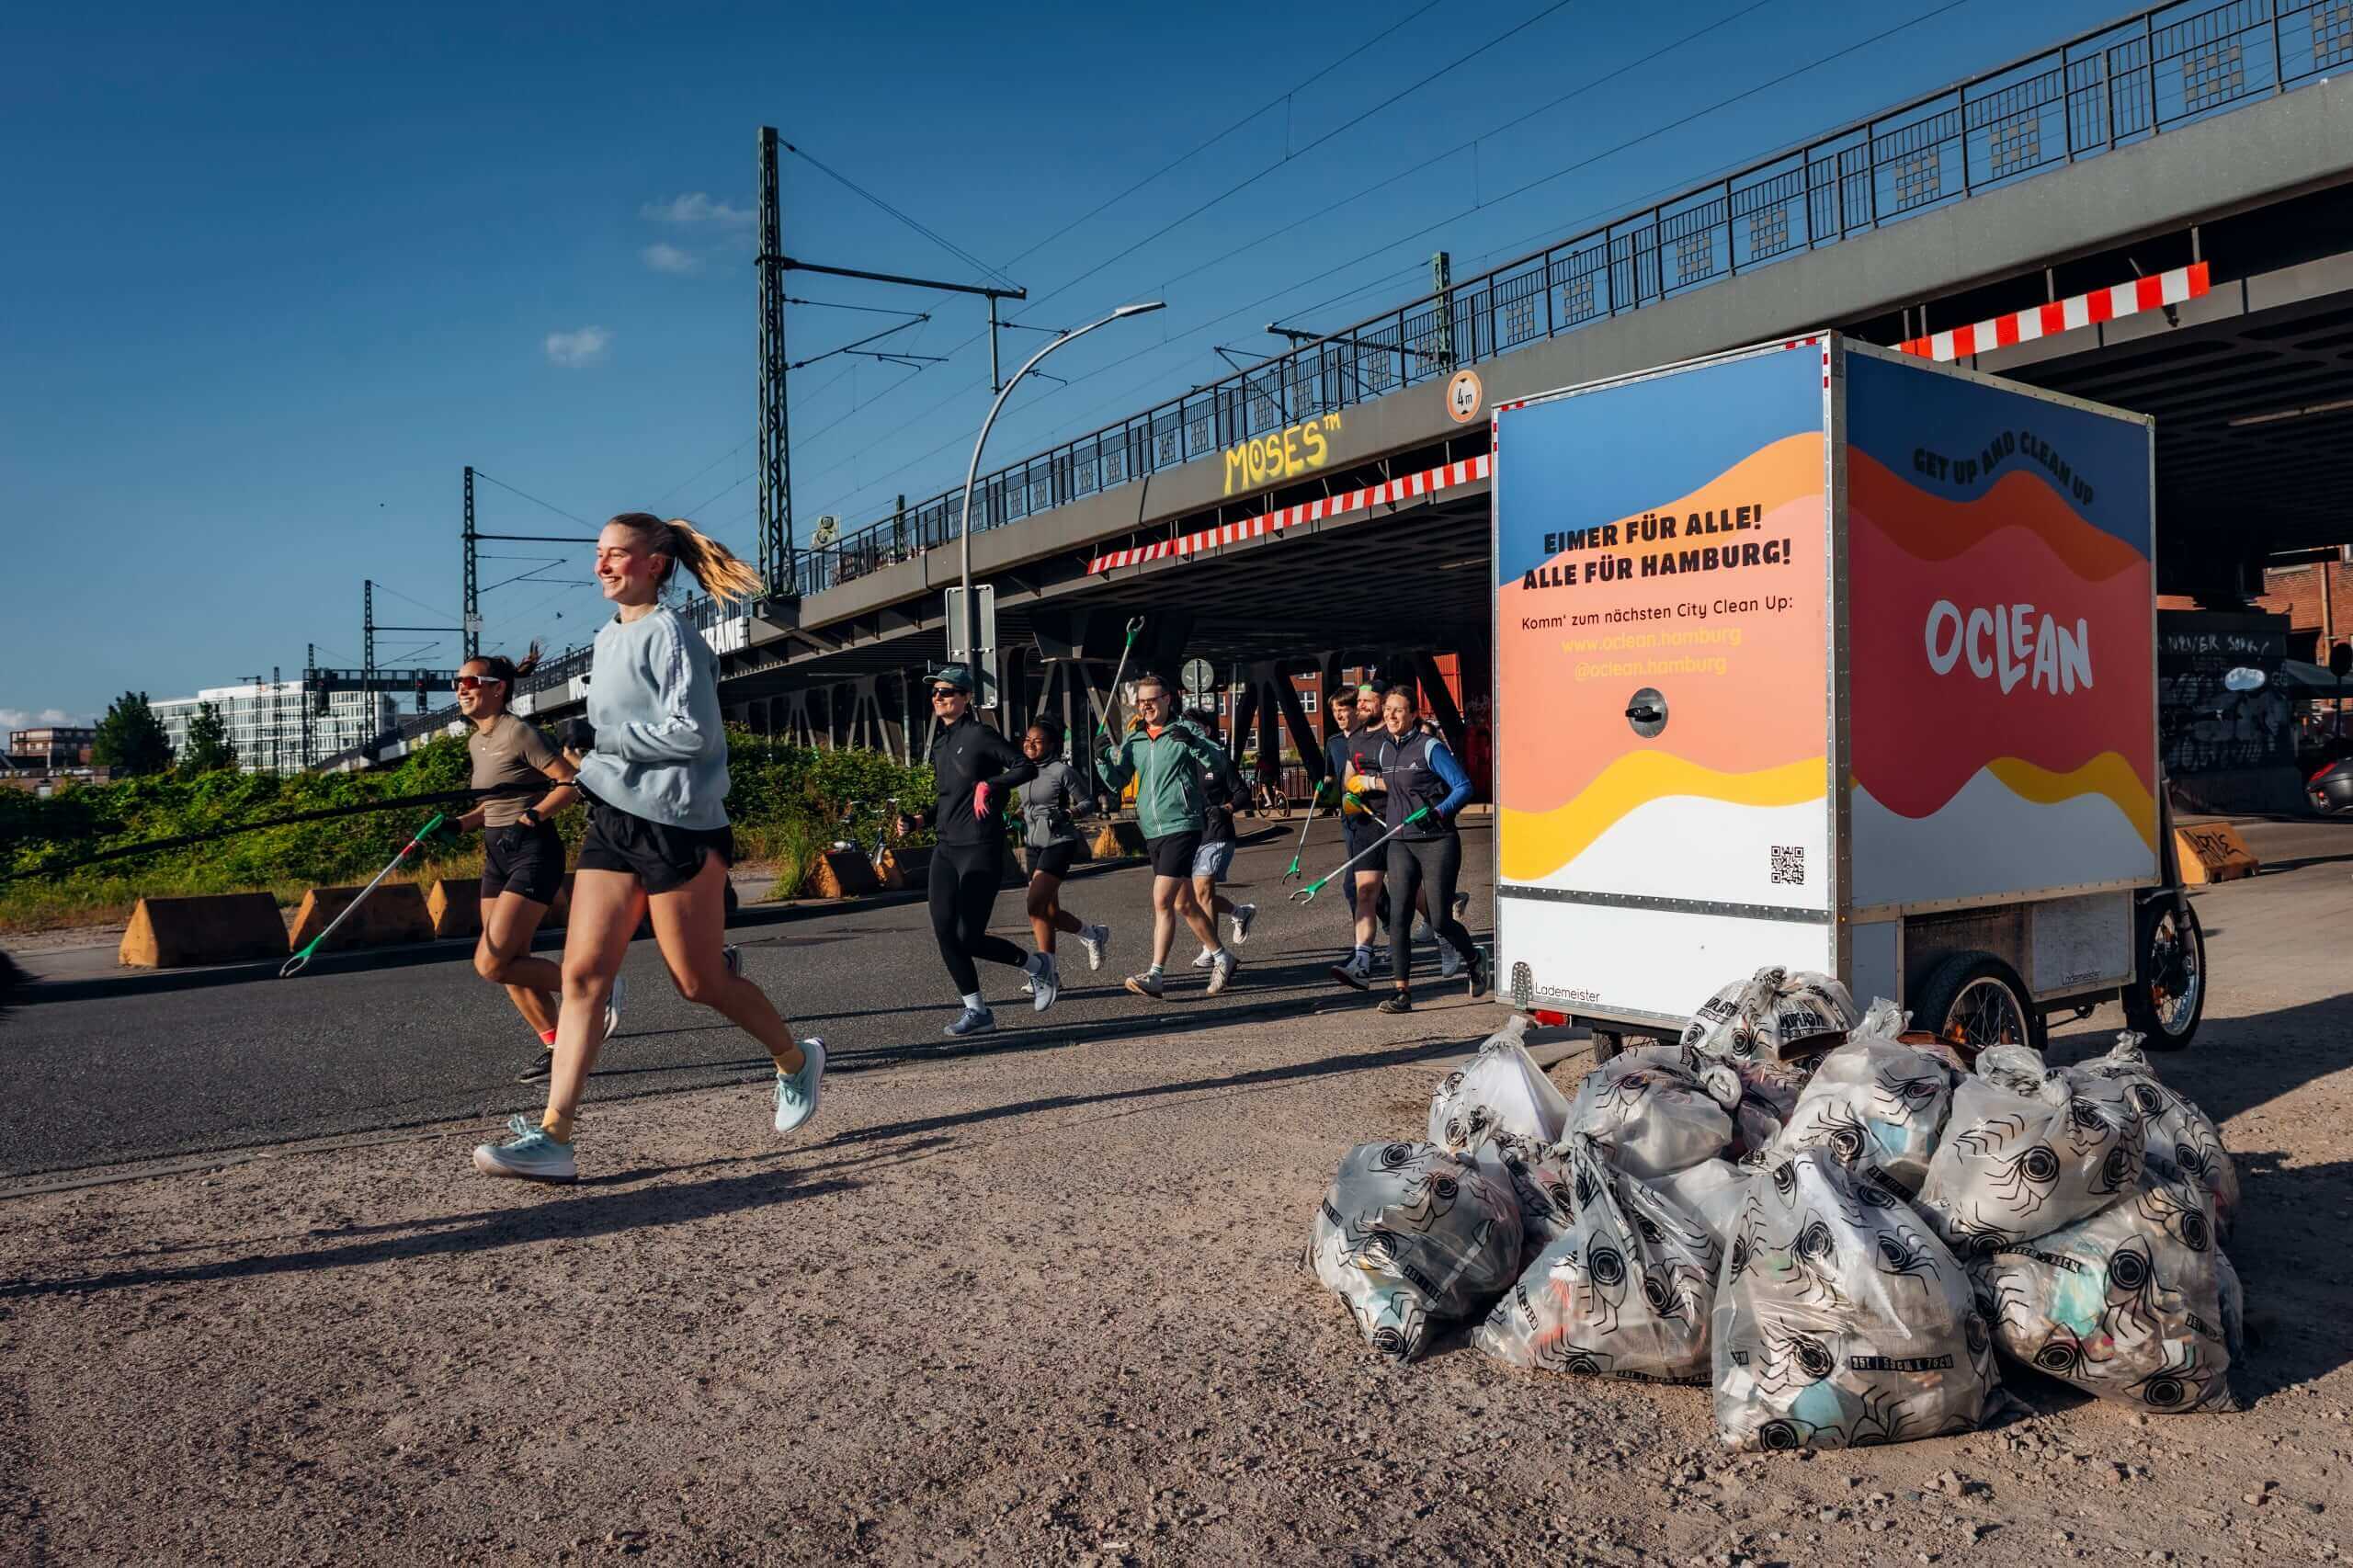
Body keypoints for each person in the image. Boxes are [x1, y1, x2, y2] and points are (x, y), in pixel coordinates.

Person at [471, 513, 824, 1183]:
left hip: (679, 827)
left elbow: (693, 736)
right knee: (582, 977)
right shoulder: (606, 640)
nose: (602, 566)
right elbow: (610, 746)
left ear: (656, 564)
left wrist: (604, 741)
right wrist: (592, 763)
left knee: (699, 982)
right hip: (613, 826)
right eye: (599, 555)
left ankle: (794, 1059)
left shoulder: (674, 637)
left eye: (617, 556)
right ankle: (555, 1136)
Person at [452, 643, 620, 1082]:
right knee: (510, 963)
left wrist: (532, 816)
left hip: (532, 851)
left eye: (470, 682)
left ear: (497, 689)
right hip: (497, 853)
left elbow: (571, 782)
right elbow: (490, 807)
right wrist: (459, 825)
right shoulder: (477, 741)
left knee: (490, 962)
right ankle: (558, 1043)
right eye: (457, 683)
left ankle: (594, 989)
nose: (461, 690)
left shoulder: (518, 732)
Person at [906, 665, 1056, 1037]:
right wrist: (920, 820)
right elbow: (949, 798)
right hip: (946, 847)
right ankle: (977, 1012)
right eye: (936, 692)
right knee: (944, 931)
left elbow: (1025, 768)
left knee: (968, 936)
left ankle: (1037, 966)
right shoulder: (941, 744)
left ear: (966, 698)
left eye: (947, 692)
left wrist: (990, 784)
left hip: (980, 846)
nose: (939, 697)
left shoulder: (980, 735)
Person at [1098, 674, 1236, 998]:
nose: (1146, 705)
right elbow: (1119, 781)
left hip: (1183, 825)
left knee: (1161, 899)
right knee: (1184, 904)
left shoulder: (1183, 730)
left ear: (1167, 699)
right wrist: (1101, 758)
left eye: (1152, 699)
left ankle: (1156, 975)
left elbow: (1216, 759)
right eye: (1141, 701)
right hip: (1152, 829)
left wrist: (1195, 743)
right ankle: (1222, 957)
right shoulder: (1135, 740)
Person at [1348, 687, 1485, 1013]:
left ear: (1412, 715)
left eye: (1399, 710)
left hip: (1437, 840)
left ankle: (1474, 957)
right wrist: (1357, 795)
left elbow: (1464, 787)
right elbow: (1391, 793)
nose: (1391, 716)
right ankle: (1402, 993)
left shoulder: (1429, 747)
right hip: (1400, 841)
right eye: (1388, 710)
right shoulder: (1383, 751)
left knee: (1439, 920)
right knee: (1399, 917)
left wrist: (1438, 812)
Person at [1016, 717, 1109, 986]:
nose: (1030, 744)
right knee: (1049, 912)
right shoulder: (1023, 771)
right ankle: (1086, 940)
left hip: (1059, 841)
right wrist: (1017, 814)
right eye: (1027, 740)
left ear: (1052, 745)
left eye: (1037, 741)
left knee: (1034, 905)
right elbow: (1030, 805)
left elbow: (1088, 802)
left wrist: (1068, 813)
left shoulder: (1061, 771)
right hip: (1033, 844)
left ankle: (1043, 970)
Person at [1328, 681, 1394, 988]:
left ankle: (1451, 941)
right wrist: (1348, 796)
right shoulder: (1352, 742)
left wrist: (1368, 784)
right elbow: (1346, 781)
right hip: (1364, 827)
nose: (1362, 706)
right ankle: (1363, 961)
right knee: (1363, 891)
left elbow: (1404, 778)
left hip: (1395, 823)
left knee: (1416, 895)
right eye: (1361, 701)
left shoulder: (1393, 737)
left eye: (1367, 701)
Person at [1184, 705, 1256, 974]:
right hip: (1191, 833)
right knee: (1200, 895)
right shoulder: (1182, 761)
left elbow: (1242, 794)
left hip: (1217, 831)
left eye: (1194, 726)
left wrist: (1225, 809)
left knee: (1202, 889)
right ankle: (1240, 912)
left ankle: (1209, 950)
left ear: (1206, 730)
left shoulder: (1218, 759)